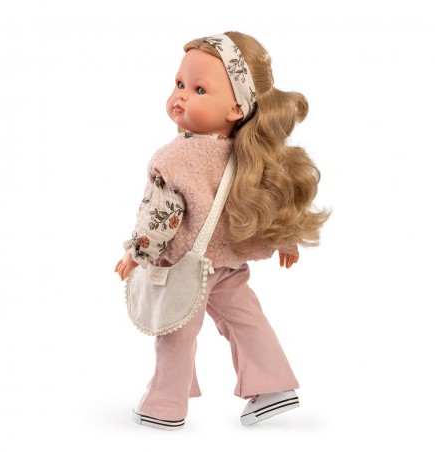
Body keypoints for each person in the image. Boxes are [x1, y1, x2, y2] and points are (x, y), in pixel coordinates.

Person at [115, 31, 329, 430]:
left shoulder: (175, 158)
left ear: (236, 107)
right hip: (228, 264)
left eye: (198, 89)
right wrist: (286, 238)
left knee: (176, 332)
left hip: (187, 265)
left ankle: (164, 405)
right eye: (180, 83)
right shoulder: (250, 154)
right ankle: (273, 386)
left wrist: (137, 252)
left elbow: (162, 216)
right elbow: (270, 198)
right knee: (246, 320)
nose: (181, 96)